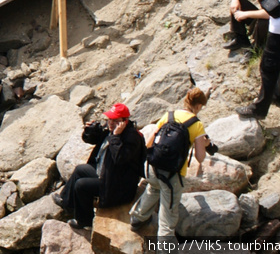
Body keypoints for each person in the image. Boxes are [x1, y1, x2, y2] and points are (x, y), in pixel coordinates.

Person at [129, 87, 211, 238]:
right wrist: (204, 145)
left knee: (153, 189)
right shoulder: (197, 125)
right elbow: (200, 157)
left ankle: (136, 219)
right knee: (168, 216)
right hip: (173, 175)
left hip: (153, 167)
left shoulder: (169, 115)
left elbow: (150, 142)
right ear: (198, 106)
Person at [52, 103, 146, 231]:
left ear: (125, 121)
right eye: (109, 119)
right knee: (81, 169)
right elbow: (92, 140)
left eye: (115, 120)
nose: (111, 123)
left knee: (81, 185)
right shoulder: (111, 130)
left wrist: (116, 137)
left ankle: (84, 221)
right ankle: (67, 203)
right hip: (106, 175)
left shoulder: (132, 138)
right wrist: (89, 131)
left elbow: (120, 159)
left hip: (118, 187)